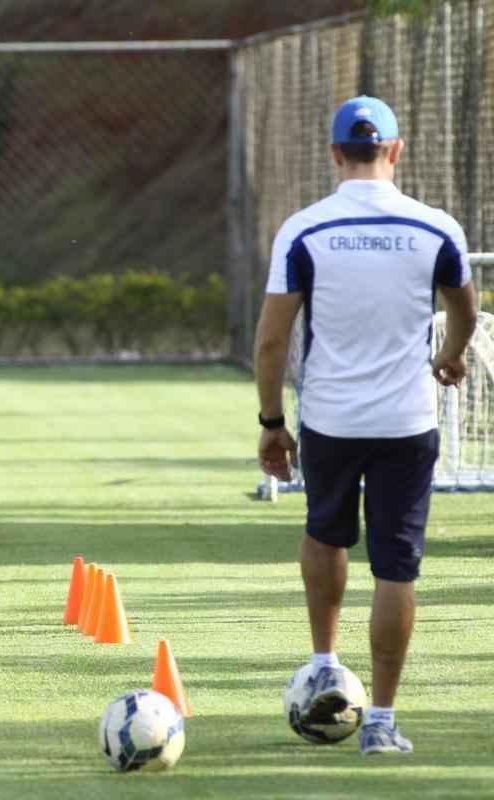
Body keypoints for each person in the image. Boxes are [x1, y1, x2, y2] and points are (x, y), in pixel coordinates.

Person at [254, 95, 479, 755]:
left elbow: (272, 340)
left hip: (328, 417)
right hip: (408, 421)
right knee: (396, 568)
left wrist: (272, 423)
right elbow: (465, 308)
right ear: (396, 151)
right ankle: (380, 720)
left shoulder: (305, 230)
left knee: (325, 535)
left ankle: (325, 662)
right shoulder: (436, 229)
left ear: (334, 154)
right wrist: (452, 356)